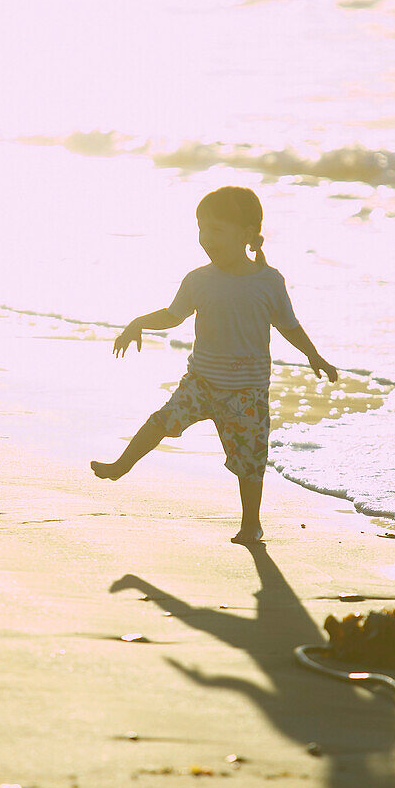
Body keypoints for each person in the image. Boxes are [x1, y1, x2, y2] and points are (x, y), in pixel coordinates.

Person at [91, 186, 337, 544]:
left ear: (247, 234)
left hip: (247, 392)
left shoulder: (269, 282)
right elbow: (173, 316)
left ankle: (251, 523)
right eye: (202, 228)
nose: (206, 238)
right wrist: (138, 322)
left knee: (251, 461)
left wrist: (313, 355)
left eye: (217, 229)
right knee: (162, 421)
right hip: (201, 382)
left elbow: (289, 325)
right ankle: (121, 465)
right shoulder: (199, 280)